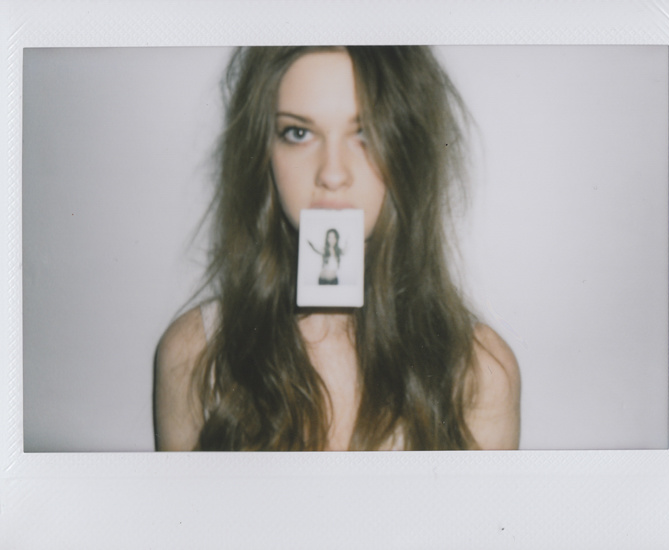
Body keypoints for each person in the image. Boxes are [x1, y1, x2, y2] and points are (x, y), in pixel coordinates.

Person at [154, 46, 520, 451]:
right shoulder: (194, 354)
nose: (332, 173)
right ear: (264, 151)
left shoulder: (480, 373)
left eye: (365, 133)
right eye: (299, 133)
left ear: (408, 149)